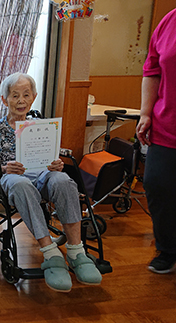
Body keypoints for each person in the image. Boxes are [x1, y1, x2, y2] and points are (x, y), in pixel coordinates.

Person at [0, 72, 102, 292]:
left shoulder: (41, 125)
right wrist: (5, 167)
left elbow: (52, 155)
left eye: (26, 95)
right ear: (4, 99)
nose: (21, 101)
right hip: (13, 177)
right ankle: (50, 253)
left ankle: (77, 251)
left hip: (42, 174)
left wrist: (55, 163)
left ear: (34, 97)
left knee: (63, 179)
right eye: (15, 95)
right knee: (21, 184)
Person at [136, 8, 176, 274]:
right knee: (157, 185)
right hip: (167, 123)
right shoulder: (169, 21)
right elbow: (152, 70)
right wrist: (145, 113)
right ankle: (168, 248)